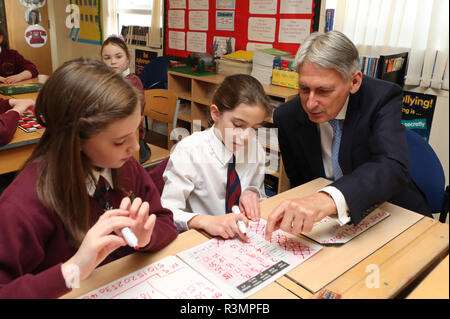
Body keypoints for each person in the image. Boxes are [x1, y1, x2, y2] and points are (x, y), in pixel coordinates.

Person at [0, 58, 178, 298]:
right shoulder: (23, 204)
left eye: (135, 132)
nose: (135, 146)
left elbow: (165, 221)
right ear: (77, 140)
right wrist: (73, 271)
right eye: (119, 141)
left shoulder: (125, 167)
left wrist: (145, 239)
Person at [265, 30, 431, 240]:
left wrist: (328, 200)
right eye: (304, 88)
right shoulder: (287, 117)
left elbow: (392, 165)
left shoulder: (381, 98)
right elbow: (301, 182)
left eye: (323, 91)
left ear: (354, 82)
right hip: (331, 227)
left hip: (393, 210)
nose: (310, 103)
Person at [161, 74, 271, 241]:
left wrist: (252, 193)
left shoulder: (255, 148)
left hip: (241, 237)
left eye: (254, 128)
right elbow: (167, 210)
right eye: (238, 125)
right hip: (199, 239)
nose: (246, 136)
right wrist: (203, 221)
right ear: (216, 114)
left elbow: (258, 191)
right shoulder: (190, 151)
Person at [100, 35, 151, 164]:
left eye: (118, 56)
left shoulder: (133, 82)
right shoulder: (104, 81)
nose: (113, 62)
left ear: (127, 58)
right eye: (107, 58)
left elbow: (123, 117)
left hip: (132, 143)